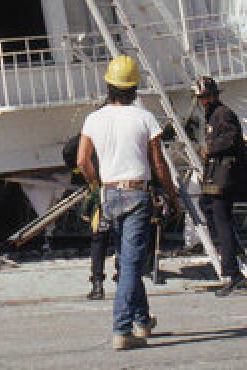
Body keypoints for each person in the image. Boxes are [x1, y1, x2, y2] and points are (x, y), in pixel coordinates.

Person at [77, 55, 180, 351]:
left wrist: (97, 187)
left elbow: (82, 160)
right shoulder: (144, 118)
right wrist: (171, 196)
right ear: (134, 88)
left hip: (109, 194)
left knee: (127, 259)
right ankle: (122, 329)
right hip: (137, 194)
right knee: (133, 265)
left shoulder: (93, 119)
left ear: (109, 86)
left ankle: (142, 321)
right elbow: (159, 164)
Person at [195, 76, 247, 296]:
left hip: (224, 177)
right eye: (201, 98)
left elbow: (231, 138)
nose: (204, 101)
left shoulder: (223, 114)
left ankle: (232, 271)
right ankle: (229, 250)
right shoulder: (212, 115)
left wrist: (211, 149)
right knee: (208, 208)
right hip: (217, 175)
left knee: (222, 220)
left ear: (214, 95)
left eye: (206, 97)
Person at [62, 131, 117, 300]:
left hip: (99, 190)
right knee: (121, 237)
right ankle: (122, 278)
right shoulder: (119, 131)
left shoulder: (90, 132)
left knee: (98, 240)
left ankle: (97, 285)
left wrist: (82, 175)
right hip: (119, 190)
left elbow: (70, 152)